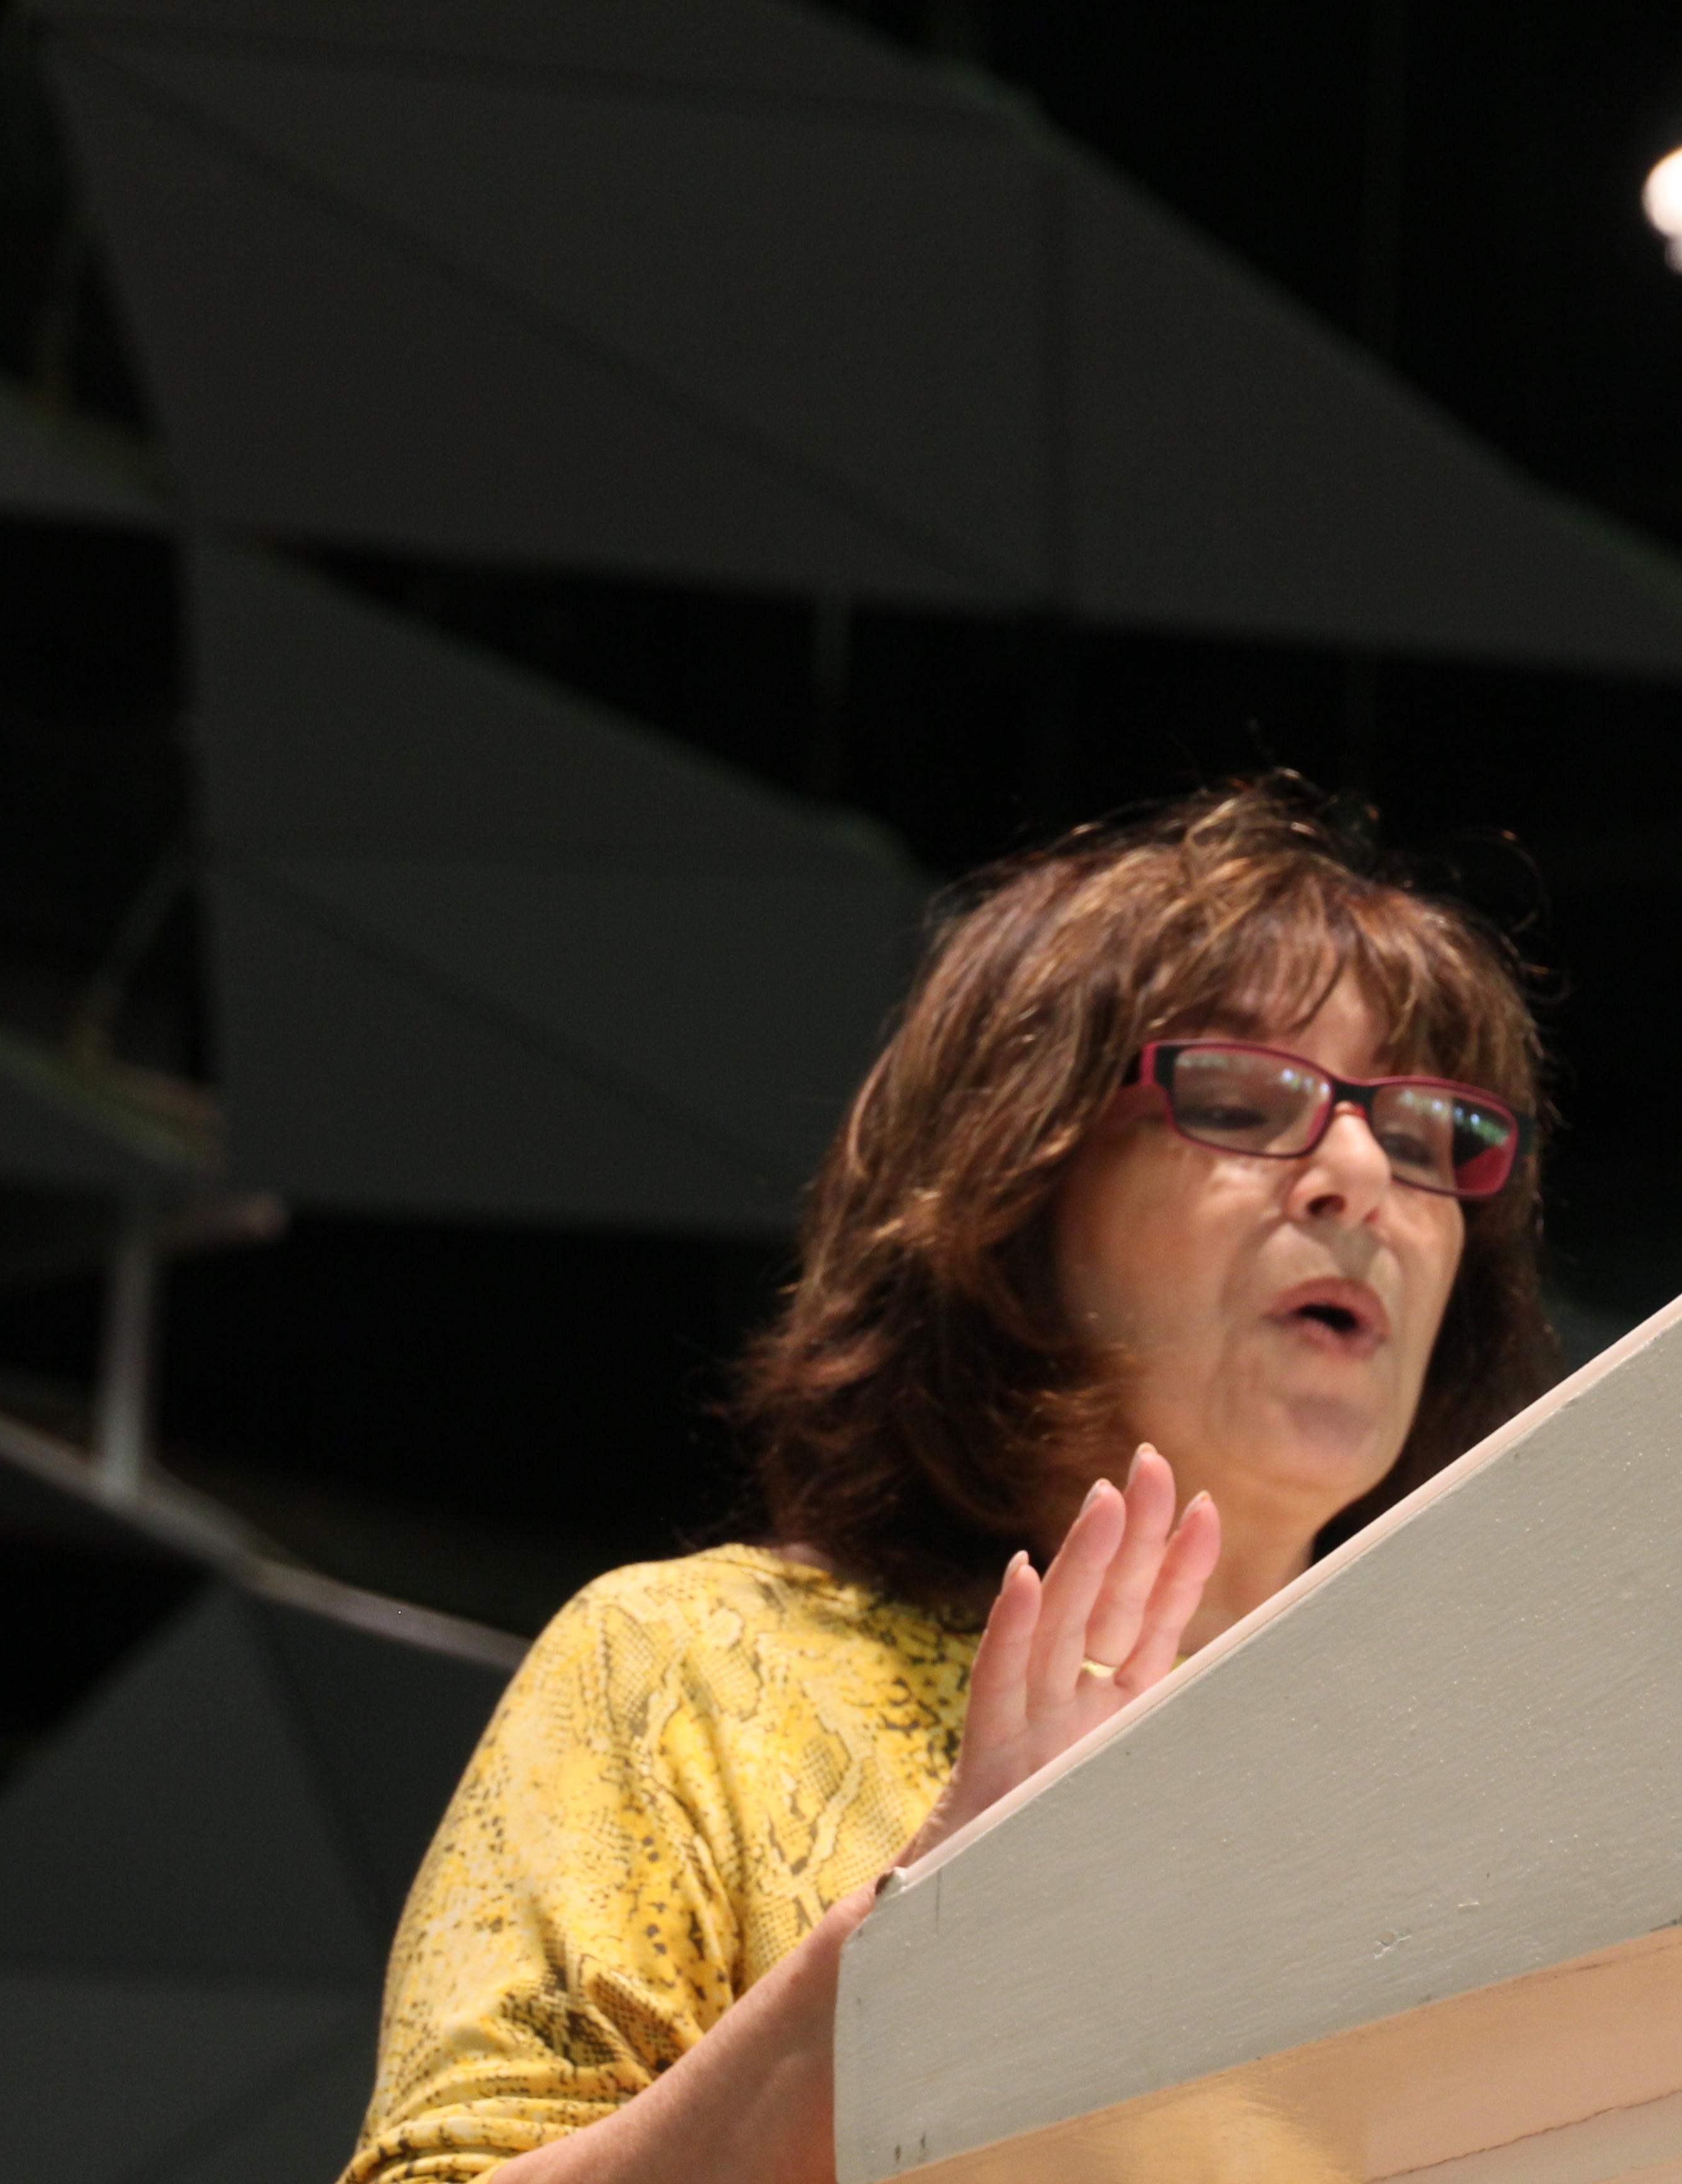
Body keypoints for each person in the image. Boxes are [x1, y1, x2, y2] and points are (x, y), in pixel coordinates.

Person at [339, 779, 1554, 2183]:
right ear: (1014, 1192)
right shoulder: (693, 1673)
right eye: (1239, 1100)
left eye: (1424, 1134)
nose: (1358, 1176)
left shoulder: (1482, 1796)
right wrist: (910, 1966)